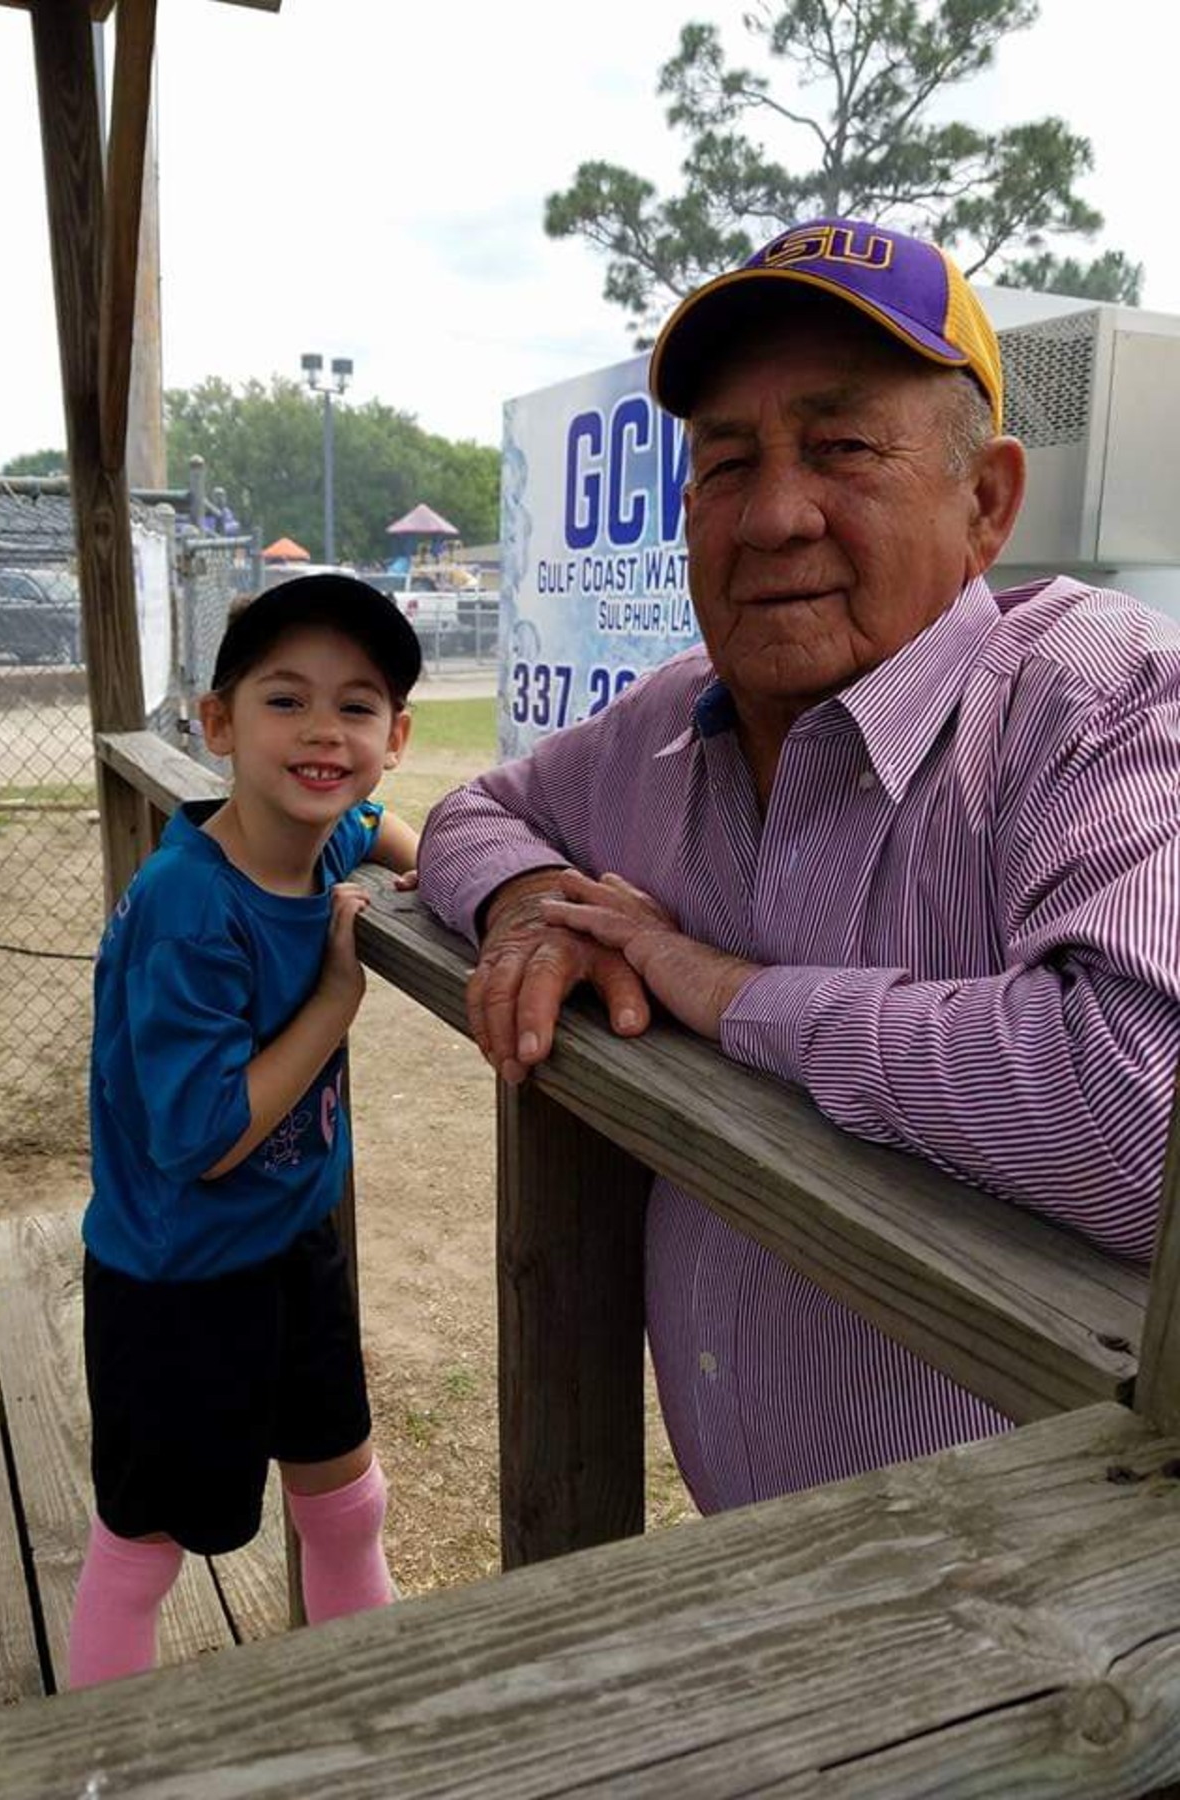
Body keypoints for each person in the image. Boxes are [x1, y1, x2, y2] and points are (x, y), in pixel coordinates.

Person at [418, 216, 1180, 1514]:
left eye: (840, 448)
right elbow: (468, 815)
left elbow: (1134, 1115)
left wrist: (721, 989)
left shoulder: (1095, 698)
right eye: (726, 463)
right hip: (758, 1570)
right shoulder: (667, 719)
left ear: (984, 503)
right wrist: (535, 908)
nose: (771, 517)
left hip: (1043, 1616)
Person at [68, 572, 421, 1687]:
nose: (324, 732)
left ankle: (363, 1709)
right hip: (176, 1282)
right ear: (216, 722)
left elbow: (378, 823)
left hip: (291, 1247)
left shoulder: (321, 832)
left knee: (345, 1495)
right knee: (146, 1547)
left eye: (357, 707)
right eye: (285, 701)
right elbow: (204, 1137)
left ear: (396, 734)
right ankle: (98, 1758)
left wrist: (463, 880)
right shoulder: (189, 907)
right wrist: (332, 1002)